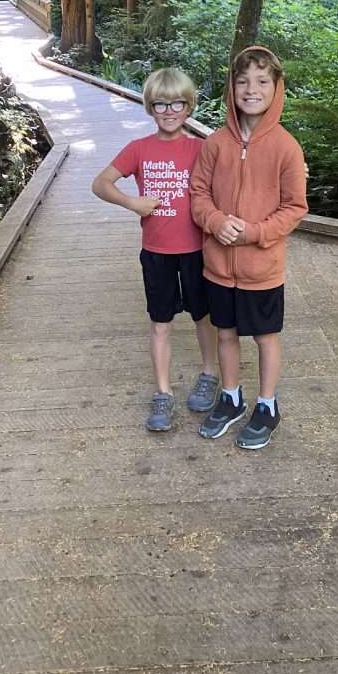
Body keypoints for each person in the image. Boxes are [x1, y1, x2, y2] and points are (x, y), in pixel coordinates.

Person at [190, 46, 308, 450]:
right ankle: (231, 397)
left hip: (262, 269)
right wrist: (216, 222)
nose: (251, 89)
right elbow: (198, 193)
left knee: (264, 337)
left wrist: (254, 232)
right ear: (231, 88)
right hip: (218, 267)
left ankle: (267, 405)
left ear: (277, 89)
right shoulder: (216, 143)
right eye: (242, 81)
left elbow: (295, 207)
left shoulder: (286, 147)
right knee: (225, 333)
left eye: (261, 81)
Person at [91, 68, 219, 432]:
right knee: (160, 322)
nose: (169, 110)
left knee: (203, 316)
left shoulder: (200, 148)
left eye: (177, 103)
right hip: (157, 252)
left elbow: (237, 175)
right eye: (160, 104)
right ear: (149, 107)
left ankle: (209, 373)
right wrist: (132, 202)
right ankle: (163, 393)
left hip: (197, 250)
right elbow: (100, 184)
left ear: (189, 106)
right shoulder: (139, 149)